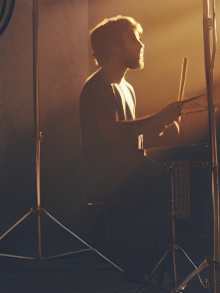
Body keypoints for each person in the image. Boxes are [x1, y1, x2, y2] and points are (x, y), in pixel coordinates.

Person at [79, 15, 184, 277]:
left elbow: (133, 138)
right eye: (134, 39)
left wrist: (163, 128)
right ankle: (155, 262)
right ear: (115, 47)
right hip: (108, 177)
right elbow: (108, 133)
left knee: (181, 168)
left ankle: (162, 260)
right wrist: (157, 118)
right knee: (165, 179)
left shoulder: (127, 88)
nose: (141, 45)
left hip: (131, 171)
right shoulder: (96, 87)